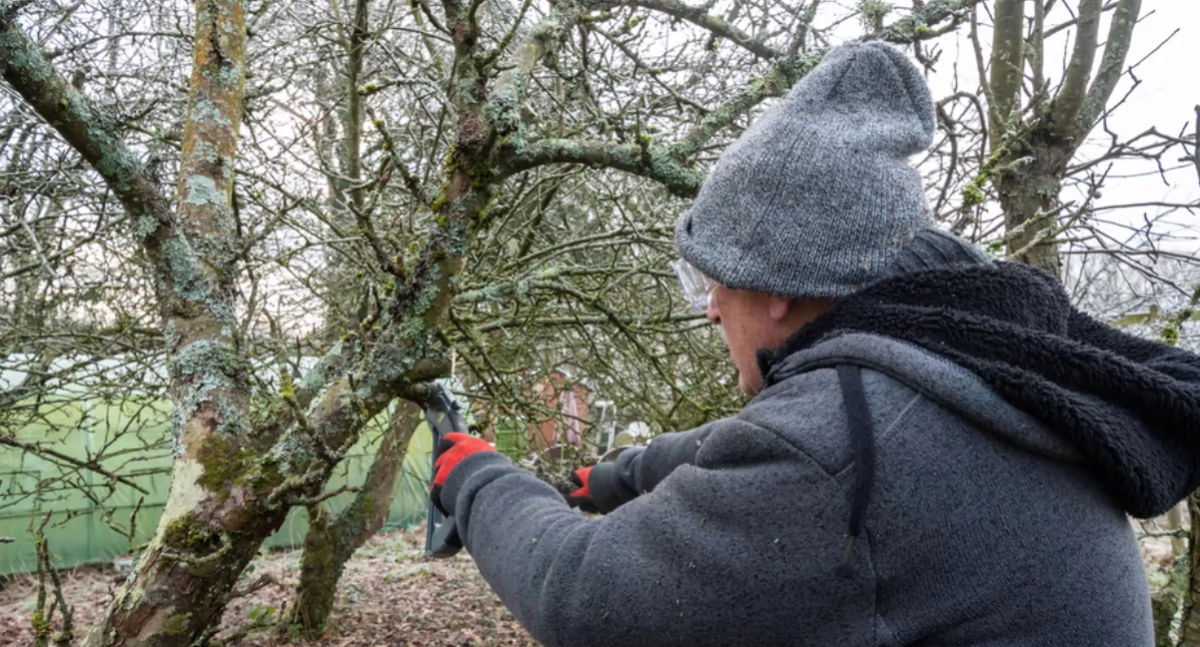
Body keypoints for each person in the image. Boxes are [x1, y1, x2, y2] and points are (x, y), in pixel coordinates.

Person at [428, 41, 1200, 646]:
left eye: (711, 284)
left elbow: (581, 597)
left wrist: (477, 478)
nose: (708, 313)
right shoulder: (965, 358)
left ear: (776, 286)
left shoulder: (848, 444)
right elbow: (743, 444)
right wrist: (611, 476)